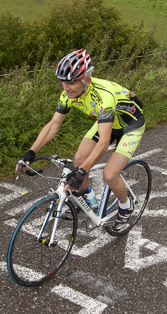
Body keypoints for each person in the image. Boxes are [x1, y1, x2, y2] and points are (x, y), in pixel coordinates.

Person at [16, 48, 145, 231]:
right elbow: (53, 125)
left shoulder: (103, 96)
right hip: (105, 122)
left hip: (130, 126)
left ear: (86, 79)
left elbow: (103, 143)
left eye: (71, 82)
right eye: (62, 82)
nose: (66, 87)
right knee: (79, 159)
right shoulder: (68, 96)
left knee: (109, 174)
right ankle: (85, 199)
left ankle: (126, 206)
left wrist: (81, 172)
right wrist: (31, 152)